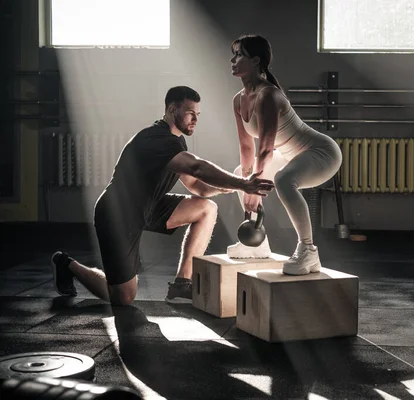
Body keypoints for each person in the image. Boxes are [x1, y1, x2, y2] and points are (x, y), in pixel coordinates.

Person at [51, 86, 275, 306]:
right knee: (123, 297)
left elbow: (197, 186)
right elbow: (197, 167)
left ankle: (182, 283)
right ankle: (66, 263)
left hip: (149, 207)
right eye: (190, 113)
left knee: (206, 208)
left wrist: (233, 186)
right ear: (171, 110)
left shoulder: (176, 141)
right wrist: (243, 183)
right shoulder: (156, 139)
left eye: (198, 114)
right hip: (116, 214)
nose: (195, 119)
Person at [226, 34, 343, 276]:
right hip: (290, 155)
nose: (233, 59)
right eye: (234, 54)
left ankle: (308, 251)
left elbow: (266, 148)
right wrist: (247, 183)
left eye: (239, 54)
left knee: (282, 180)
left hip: (321, 153)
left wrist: (254, 188)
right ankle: (257, 244)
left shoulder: (267, 94)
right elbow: (247, 147)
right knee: (240, 174)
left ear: (256, 60)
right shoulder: (238, 100)